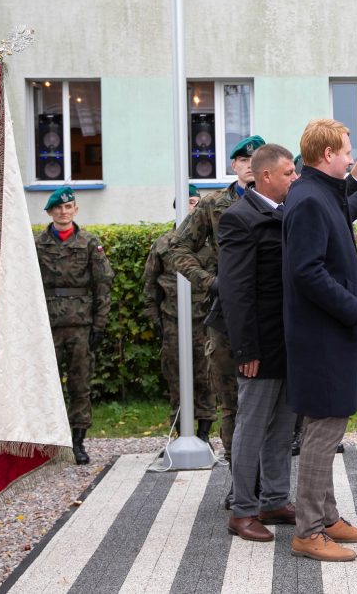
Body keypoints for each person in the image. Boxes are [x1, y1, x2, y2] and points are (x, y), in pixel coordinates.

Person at [282, 118, 357, 562]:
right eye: (346, 151)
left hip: (329, 335)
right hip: (321, 339)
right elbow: (307, 272)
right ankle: (308, 532)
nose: (350, 156)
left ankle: (327, 517)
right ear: (327, 155)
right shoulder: (307, 199)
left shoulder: (318, 191)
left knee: (327, 427)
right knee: (322, 435)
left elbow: (341, 208)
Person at [169, 134, 264, 507]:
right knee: (232, 403)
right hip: (228, 318)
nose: (249, 165)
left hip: (271, 314)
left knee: (274, 405)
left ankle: (271, 485)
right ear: (234, 165)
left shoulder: (281, 197)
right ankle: (240, 483)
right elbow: (177, 246)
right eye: (243, 160)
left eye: (256, 159)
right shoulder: (212, 205)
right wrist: (209, 281)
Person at [216, 144, 301, 541]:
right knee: (251, 427)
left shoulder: (284, 211)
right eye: (288, 173)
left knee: (282, 427)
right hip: (259, 345)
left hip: (285, 340)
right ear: (266, 176)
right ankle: (243, 511)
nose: (295, 178)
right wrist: (246, 348)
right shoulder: (239, 218)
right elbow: (235, 291)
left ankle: (274, 500)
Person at [34, 186, 114, 465]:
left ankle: (78, 442)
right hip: (48, 325)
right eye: (58, 208)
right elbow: (27, 285)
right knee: (48, 386)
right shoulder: (37, 243)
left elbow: (103, 285)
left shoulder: (90, 243)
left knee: (80, 384)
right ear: (50, 212)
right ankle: (51, 443)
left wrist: (99, 326)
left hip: (81, 326)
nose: (63, 212)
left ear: (75, 210)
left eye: (68, 207)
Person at [143, 185, 217, 441]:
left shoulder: (211, 243)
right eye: (185, 202)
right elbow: (151, 284)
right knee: (175, 377)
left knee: (206, 377)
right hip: (173, 320)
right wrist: (156, 320)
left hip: (205, 321)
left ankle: (204, 435)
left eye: (194, 201)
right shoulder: (163, 243)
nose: (190, 207)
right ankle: (181, 433)